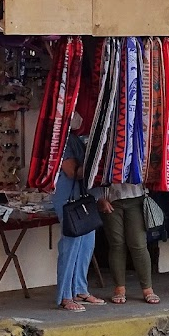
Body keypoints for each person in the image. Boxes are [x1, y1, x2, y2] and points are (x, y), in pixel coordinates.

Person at [51, 112, 106, 312]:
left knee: (86, 245)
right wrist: (98, 164)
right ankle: (65, 295)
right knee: (71, 246)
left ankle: (80, 289)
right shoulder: (61, 142)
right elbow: (72, 171)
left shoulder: (76, 140)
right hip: (69, 199)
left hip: (84, 198)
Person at [100, 183, 160, 305]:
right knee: (117, 244)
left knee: (138, 244)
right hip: (111, 198)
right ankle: (119, 289)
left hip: (136, 196)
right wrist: (99, 198)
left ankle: (147, 289)